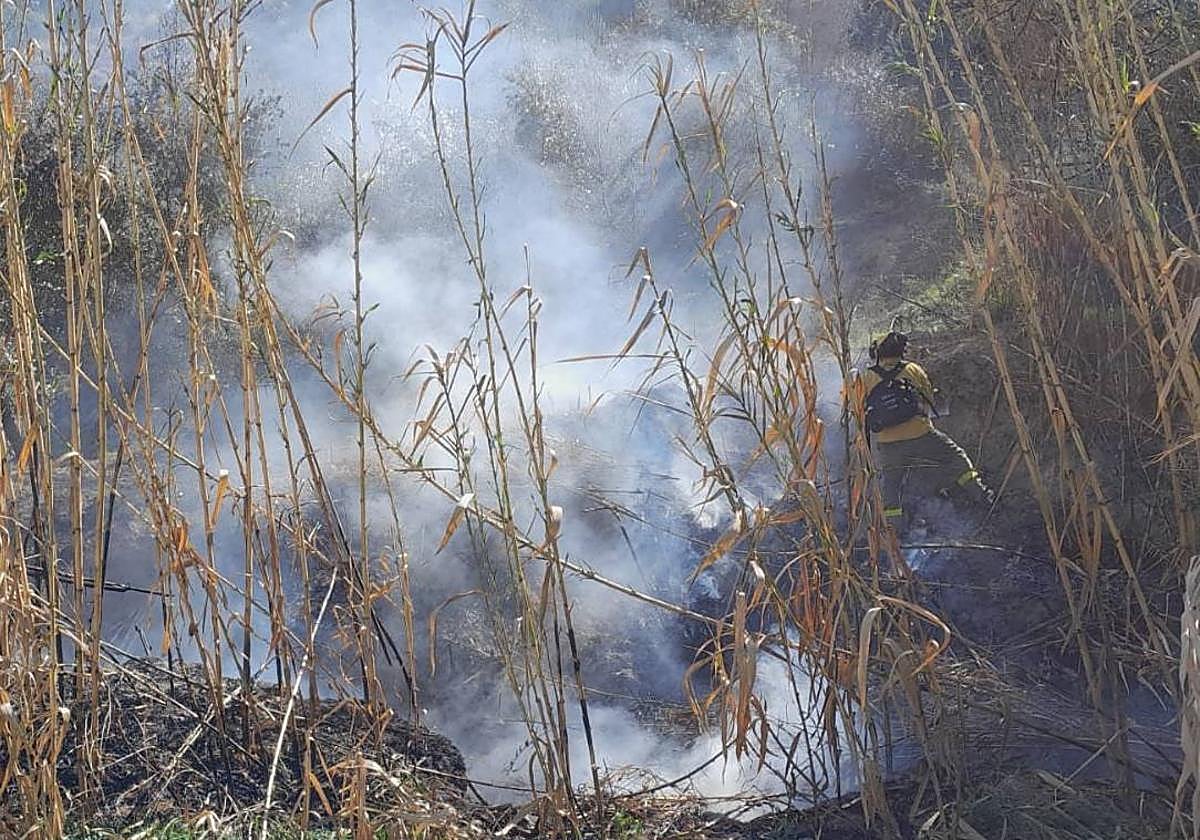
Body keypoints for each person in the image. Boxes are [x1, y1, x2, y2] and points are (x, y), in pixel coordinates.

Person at [855, 331, 993, 531]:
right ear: (901, 351)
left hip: (888, 445)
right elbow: (928, 399)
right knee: (955, 456)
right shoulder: (912, 370)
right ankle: (980, 494)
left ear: (877, 353)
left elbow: (855, 409)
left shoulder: (865, 377)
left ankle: (894, 529)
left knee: (891, 487)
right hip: (922, 436)